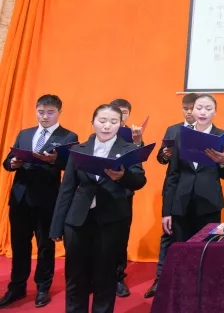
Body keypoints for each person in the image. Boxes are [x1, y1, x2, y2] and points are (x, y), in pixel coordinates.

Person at [49, 104, 147, 313]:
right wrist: (56, 226)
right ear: (93, 122)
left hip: (111, 221)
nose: (107, 126)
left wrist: (123, 177)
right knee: (75, 276)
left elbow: (139, 181)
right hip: (78, 221)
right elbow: (66, 189)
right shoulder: (78, 149)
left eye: (113, 122)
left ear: (120, 125)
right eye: (102, 121)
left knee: (105, 277)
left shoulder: (129, 149)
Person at [0, 95, 78, 309]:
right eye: (41, 112)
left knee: (45, 246)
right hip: (20, 198)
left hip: (47, 199)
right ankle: (16, 287)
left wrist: (56, 160)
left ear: (59, 112)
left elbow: (74, 167)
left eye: (50, 112)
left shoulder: (68, 136)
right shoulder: (24, 134)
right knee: (19, 245)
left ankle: (43, 287)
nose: (44, 116)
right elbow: (7, 162)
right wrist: (12, 163)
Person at [144, 93, 198, 298]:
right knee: (169, 233)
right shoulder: (173, 129)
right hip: (175, 187)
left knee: (195, 233)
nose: (189, 112)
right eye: (186, 108)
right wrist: (164, 155)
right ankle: (160, 277)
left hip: (198, 190)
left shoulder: (207, 131)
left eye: (192, 108)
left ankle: (191, 277)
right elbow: (161, 158)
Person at [162, 94, 224, 242]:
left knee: (207, 250)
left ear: (215, 112)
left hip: (209, 204)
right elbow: (172, 174)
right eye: (199, 108)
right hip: (181, 204)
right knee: (182, 250)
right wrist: (166, 211)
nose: (203, 112)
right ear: (193, 110)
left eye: (208, 108)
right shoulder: (181, 135)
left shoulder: (222, 136)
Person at [109, 98, 144, 298]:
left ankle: (118, 277)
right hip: (98, 195)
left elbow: (139, 173)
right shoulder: (98, 135)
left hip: (123, 195)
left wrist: (137, 143)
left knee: (120, 239)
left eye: (124, 112)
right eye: (116, 111)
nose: (120, 115)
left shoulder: (133, 138)